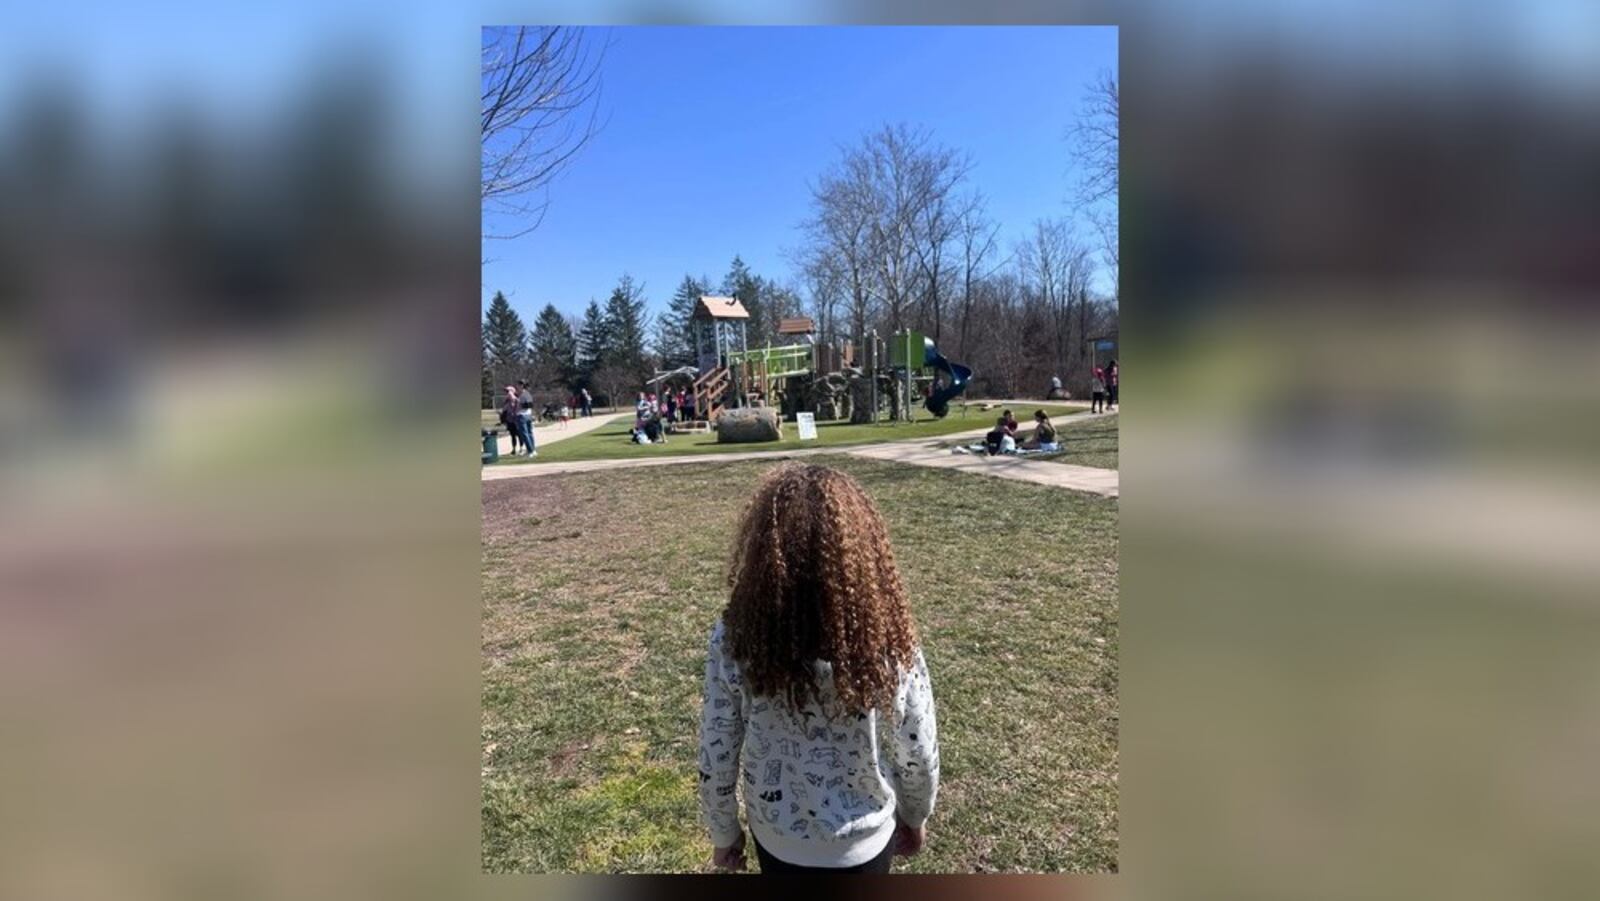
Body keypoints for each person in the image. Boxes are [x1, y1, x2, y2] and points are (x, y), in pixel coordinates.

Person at [699, 464, 939, 874]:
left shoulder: (736, 637)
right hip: (865, 840)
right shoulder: (887, 636)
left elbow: (717, 744)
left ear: (761, 549)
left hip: (778, 841)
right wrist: (915, 816)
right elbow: (917, 745)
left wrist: (724, 832)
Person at [499, 386, 522, 455]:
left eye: (509, 391)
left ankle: (521, 448)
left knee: (519, 435)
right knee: (512, 436)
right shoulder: (507, 402)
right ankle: (514, 449)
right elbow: (504, 410)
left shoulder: (517, 400)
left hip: (517, 421)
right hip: (510, 421)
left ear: (513, 392)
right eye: (506, 392)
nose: (508, 393)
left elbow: (520, 409)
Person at [516, 380, 538, 456]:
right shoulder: (527, 393)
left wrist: (519, 406)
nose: (517, 386)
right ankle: (533, 450)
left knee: (525, 434)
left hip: (522, 415)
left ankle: (530, 451)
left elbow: (529, 405)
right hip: (528, 415)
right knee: (529, 433)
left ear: (521, 385)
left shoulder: (523, 394)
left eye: (518, 385)